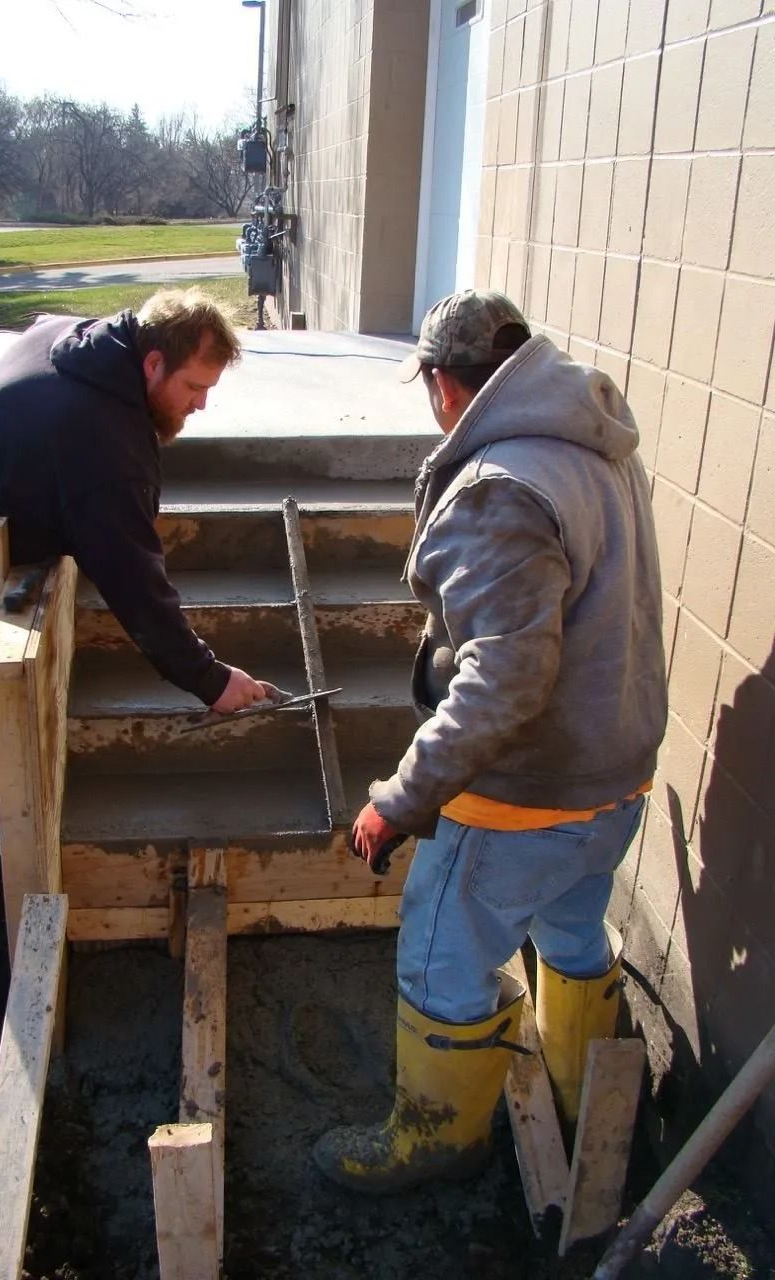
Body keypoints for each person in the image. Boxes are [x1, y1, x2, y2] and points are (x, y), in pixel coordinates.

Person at [313, 289, 668, 1192]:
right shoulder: (594, 446)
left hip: (524, 796)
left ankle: (437, 1140)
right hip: (613, 775)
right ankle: (586, 1093)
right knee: (572, 930)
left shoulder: (501, 488)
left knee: (441, 956)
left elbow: (504, 681)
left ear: (444, 384)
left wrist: (400, 800)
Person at [0, 288, 273, 991]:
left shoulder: (74, 340)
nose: (200, 405)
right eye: (194, 387)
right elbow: (136, 582)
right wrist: (209, 679)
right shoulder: (101, 437)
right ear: (153, 364)